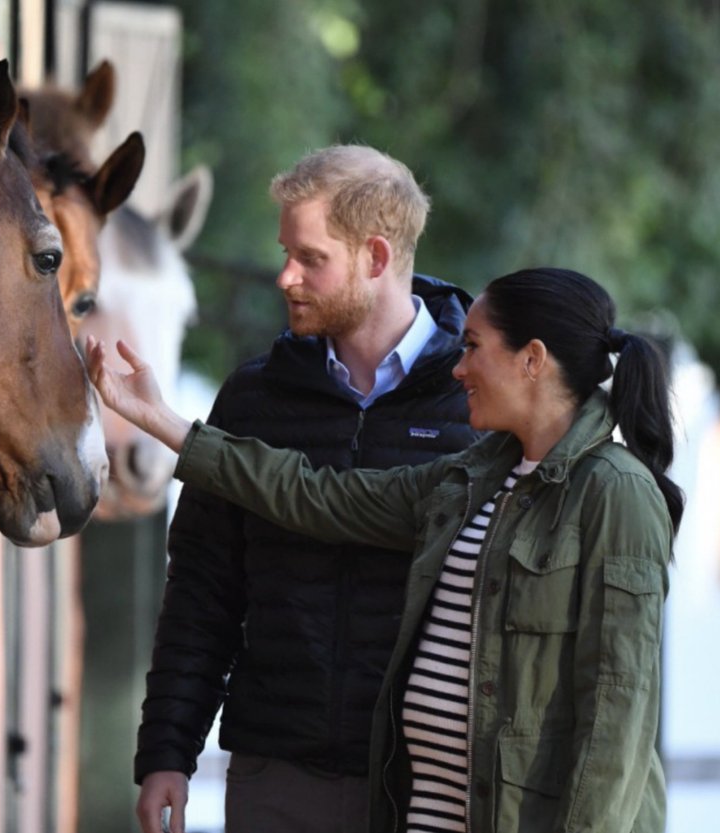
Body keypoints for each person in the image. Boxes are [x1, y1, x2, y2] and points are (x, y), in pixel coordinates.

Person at [87, 266, 682, 833]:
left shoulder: (616, 492)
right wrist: (163, 422)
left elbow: (616, 721)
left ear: (532, 359)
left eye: (473, 346)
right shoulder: (471, 476)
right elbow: (316, 495)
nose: (457, 368)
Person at [132, 145, 479, 833]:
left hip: (430, 786)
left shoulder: (474, 404)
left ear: (376, 258)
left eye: (311, 257)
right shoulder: (254, 398)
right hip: (277, 776)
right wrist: (167, 750)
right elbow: (203, 590)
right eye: (286, 251)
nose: (286, 275)